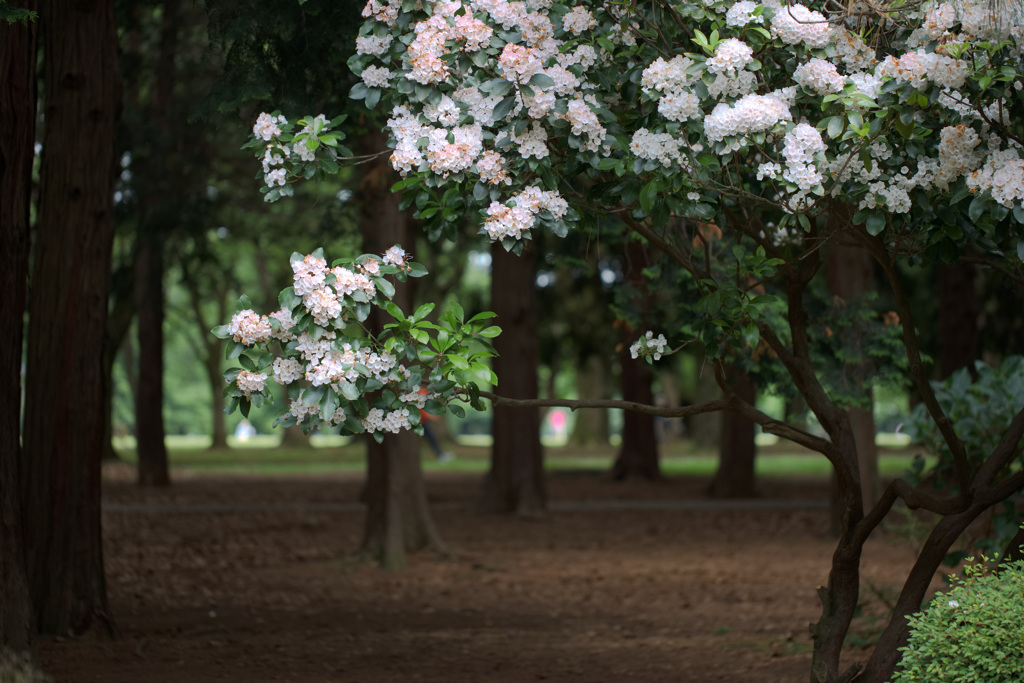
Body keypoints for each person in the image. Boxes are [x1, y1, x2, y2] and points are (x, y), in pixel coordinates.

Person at [419, 387, 454, 463]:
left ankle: (440, 455)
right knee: (431, 438)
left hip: (422, 421)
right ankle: (440, 455)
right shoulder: (423, 393)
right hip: (420, 422)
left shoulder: (424, 392)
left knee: (431, 437)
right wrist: (434, 417)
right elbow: (424, 410)